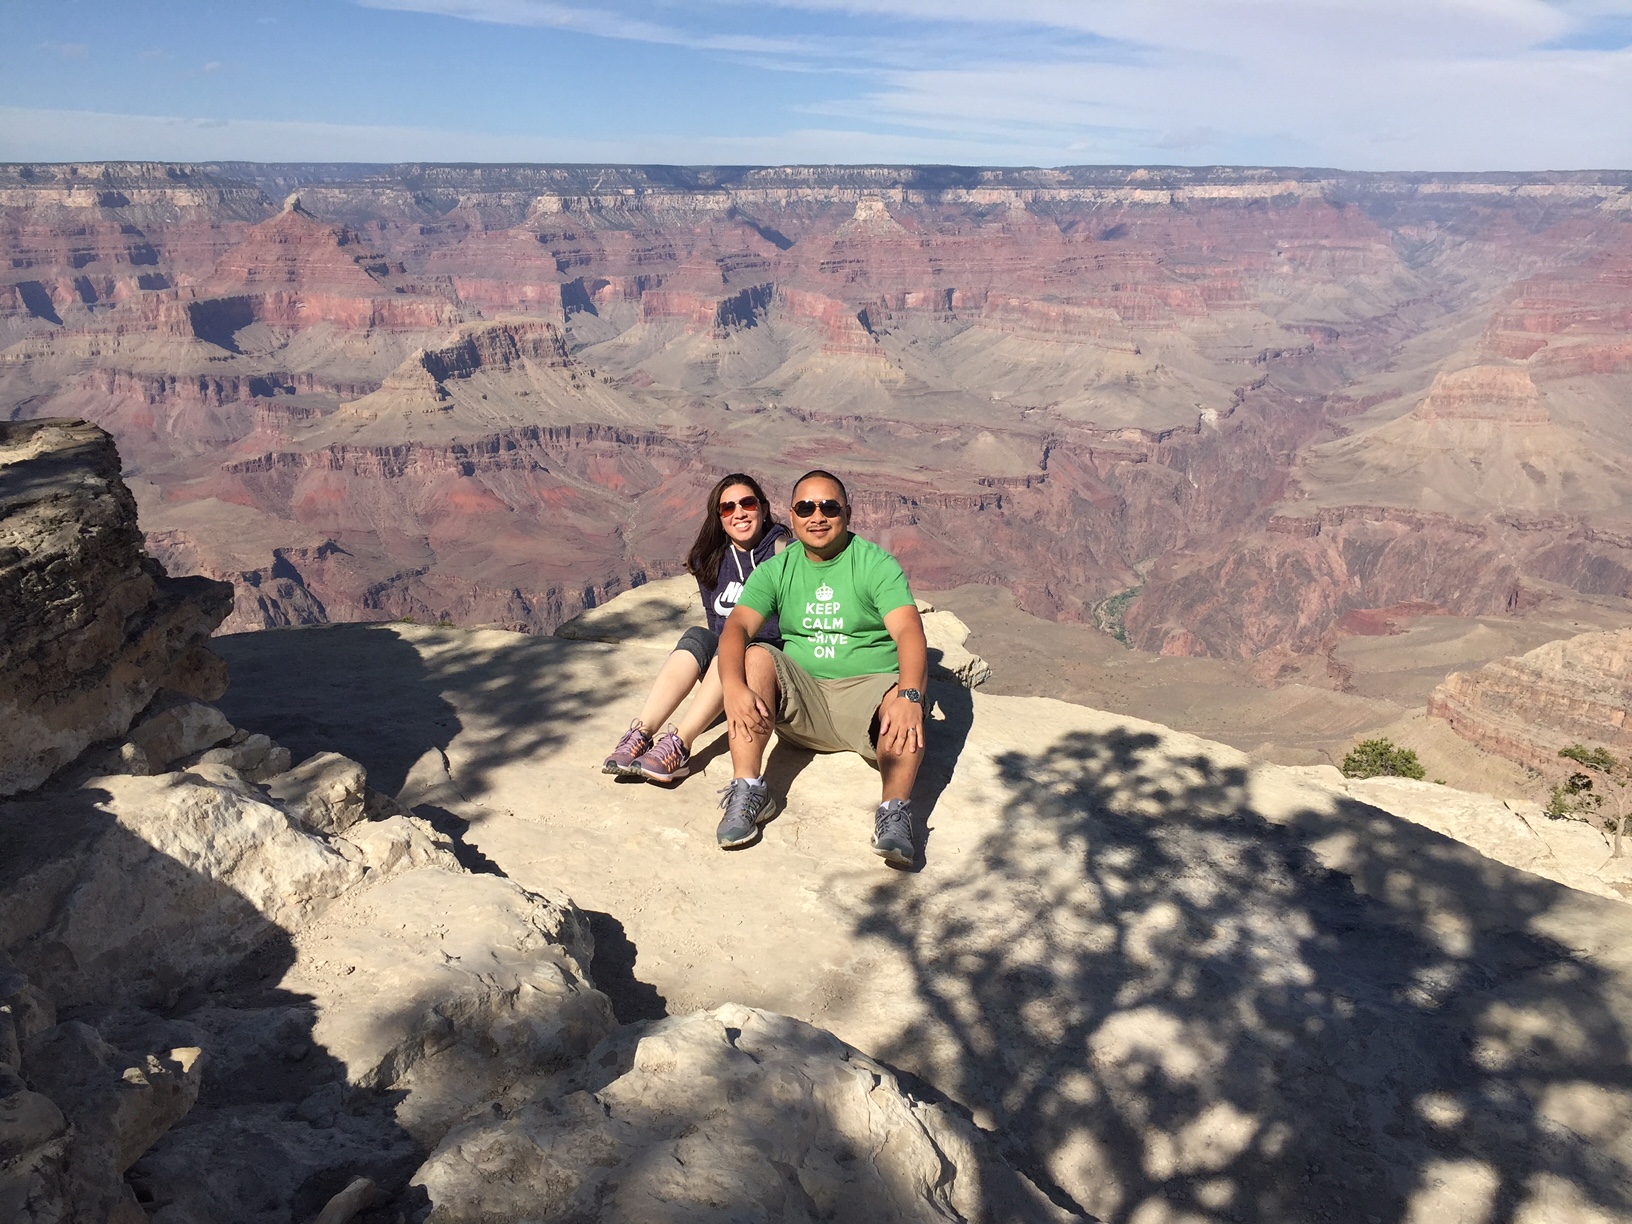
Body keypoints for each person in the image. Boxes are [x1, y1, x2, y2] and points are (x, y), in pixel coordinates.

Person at [715, 469, 929, 867]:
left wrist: (910, 694)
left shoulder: (874, 564)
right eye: (806, 507)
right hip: (803, 698)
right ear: (791, 517)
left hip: (867, 696)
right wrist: (733, 686)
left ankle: (894, 813)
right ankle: (747, 789)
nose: (818, 516)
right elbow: (738, 626)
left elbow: (910, 632)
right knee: (757, 655)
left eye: (829, 507)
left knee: (903, 704)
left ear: (847, 512)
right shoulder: (779, 568)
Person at [601, 473, 789, 783]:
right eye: (727, 508)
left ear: (764, 509)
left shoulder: (784, 553)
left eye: (747, 503)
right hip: (728, 673)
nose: (738, 513)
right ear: (719, 517)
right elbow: (715, 626)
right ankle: (641, 733)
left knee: (737, 647)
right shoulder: (711, 560)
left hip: (766, 671)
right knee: (698, 638)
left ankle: (680, 744)